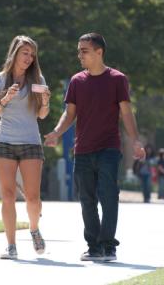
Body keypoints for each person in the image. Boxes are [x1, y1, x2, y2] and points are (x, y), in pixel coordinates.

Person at [44, 33, 145, 262]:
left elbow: (126, 112)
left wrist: (136, 140)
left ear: (99, 52)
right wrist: (57, 133)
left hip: (108, 148)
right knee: (87, 199)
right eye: (79, 50)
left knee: (108, 196)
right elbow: (70, 114)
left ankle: (108, 245)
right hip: (82, 150)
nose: (80, 55)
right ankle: (94, 246)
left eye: (84, 50)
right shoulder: (77, 81)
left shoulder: (118, 79)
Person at [0, 35, 50, 259]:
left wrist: (45, 101)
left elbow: (42, 115)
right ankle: (11, 246)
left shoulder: (37, 79)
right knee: (8, 195)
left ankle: (34, 229)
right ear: (14, 53)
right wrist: (5, 98)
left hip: (31, 142)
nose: (29, 58)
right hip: (4, 143)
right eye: (25, 53)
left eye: (32, 55)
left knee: (33, 197)